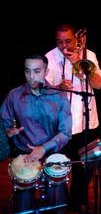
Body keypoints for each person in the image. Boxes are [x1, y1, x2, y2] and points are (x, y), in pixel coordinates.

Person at [0, 54, 72, 213]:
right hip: (24, 155)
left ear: (46, 71)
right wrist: (7, 133)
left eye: (37, 71)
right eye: (27, 71)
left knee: (57, 205)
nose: (31, 76)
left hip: (51, 153)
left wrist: (43, 148)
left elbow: (66, 132)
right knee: (23, 208)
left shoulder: (59, 96)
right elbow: (3, 125)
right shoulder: (14, 95)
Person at [45, 23, 101, 213]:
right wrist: (60, 87)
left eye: (68, 41)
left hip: (87, 121)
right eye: (60, 42)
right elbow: (43, 92)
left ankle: (76, 202)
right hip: (60, 125)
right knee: (58, 164)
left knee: (87, 165)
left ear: (76, 40)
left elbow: (99, 84)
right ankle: (61, 201)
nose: (64, 47)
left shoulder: (89, 55)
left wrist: (80, 63)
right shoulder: (50, 58)